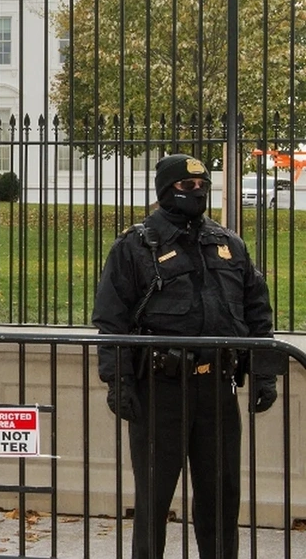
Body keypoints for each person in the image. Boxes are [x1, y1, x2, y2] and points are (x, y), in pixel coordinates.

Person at [94, 153, 280, 559]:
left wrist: (265, 374)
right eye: (186, 185)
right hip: (160, 390)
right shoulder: (136, 246)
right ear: (166, 190)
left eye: (202, 186)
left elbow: (258, 314)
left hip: (218, 390)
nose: (197, 192)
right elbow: (111, 320)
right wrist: (118, 381)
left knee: (221, 498)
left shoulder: (228, 243)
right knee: (154, 500)